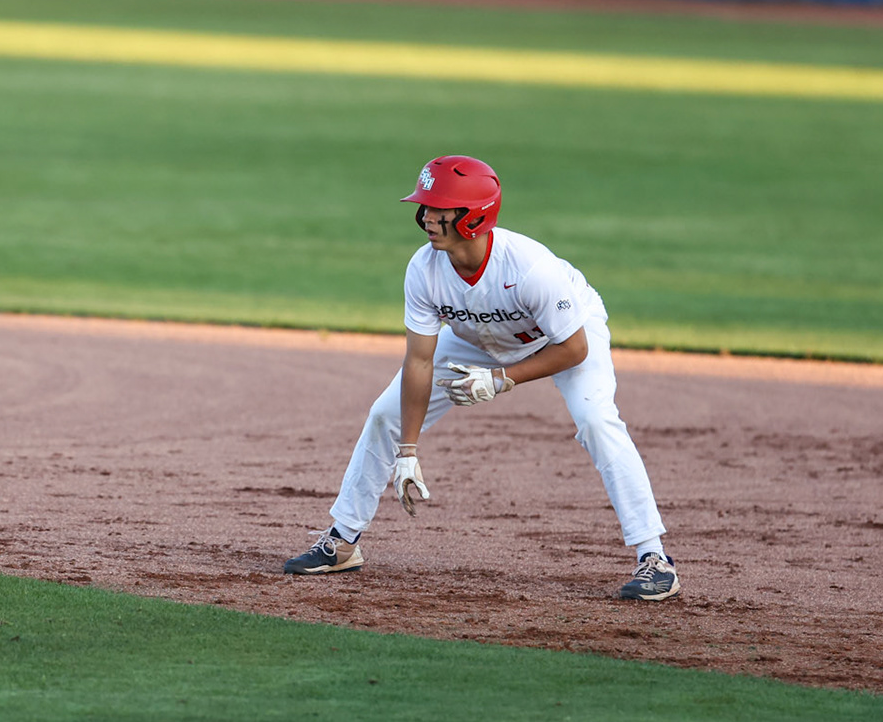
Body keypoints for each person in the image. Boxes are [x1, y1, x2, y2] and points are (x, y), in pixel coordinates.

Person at [283, 156, 679, 601]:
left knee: (596, 421)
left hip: (562, 334)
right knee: (383, 415)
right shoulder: (424, 269)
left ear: (473, 217)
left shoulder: (530, 269)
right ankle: (342, 540)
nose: (427, 217)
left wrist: (502, 378)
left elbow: (573, 349)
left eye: (439, 209)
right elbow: (419, 361)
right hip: (475, 338)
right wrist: (408, 452)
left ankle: (655, 559)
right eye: (425, 207)